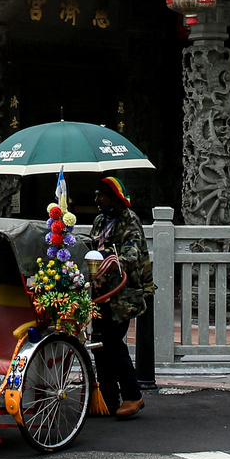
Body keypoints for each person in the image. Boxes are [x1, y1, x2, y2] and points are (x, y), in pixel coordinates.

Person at [89, 176, 155, 419]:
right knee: (99, 344)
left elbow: (131, 253)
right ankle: (108, 399)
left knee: (113, 343)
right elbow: (90, 246)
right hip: (99, 291)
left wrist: (111, 261)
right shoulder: (99, 221)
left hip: (122, 294)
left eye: (101, 196)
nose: (97, 200)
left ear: (114, 198)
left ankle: (133, 395)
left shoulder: (130, 221)